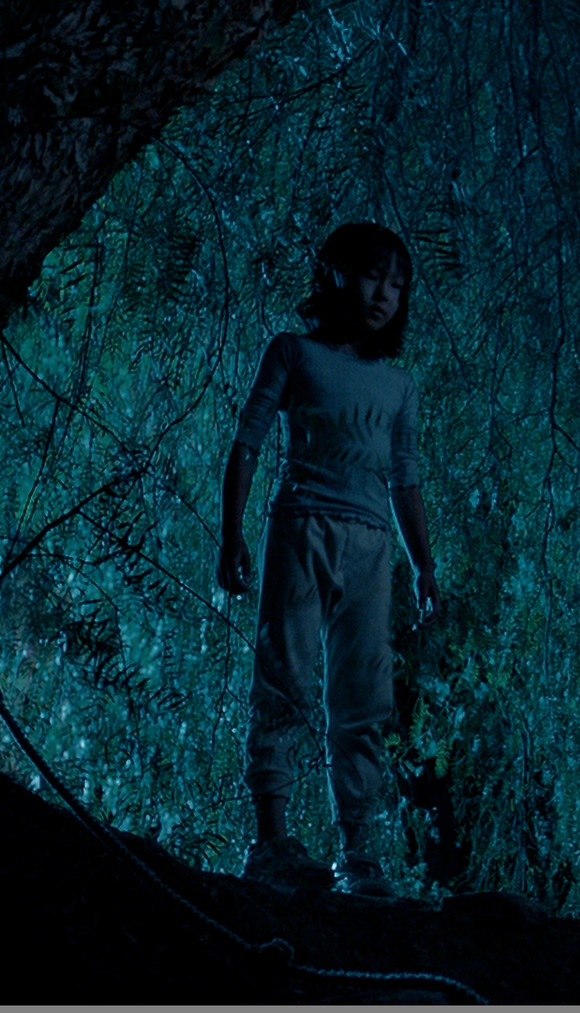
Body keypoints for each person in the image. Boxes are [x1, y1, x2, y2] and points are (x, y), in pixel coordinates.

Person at [216, 222, 437, 898]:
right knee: (284, 675)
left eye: (397, 284)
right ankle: (271, 838)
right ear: (334, 274)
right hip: (302, 528)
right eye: (372, 275)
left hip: (371, 547)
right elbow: (248, 440)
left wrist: (424, 567)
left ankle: (357, 850)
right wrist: (231, 533)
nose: (384, 293)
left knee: (364, 694)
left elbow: (405, 480)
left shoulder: (398, 386)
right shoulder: (294, 352)